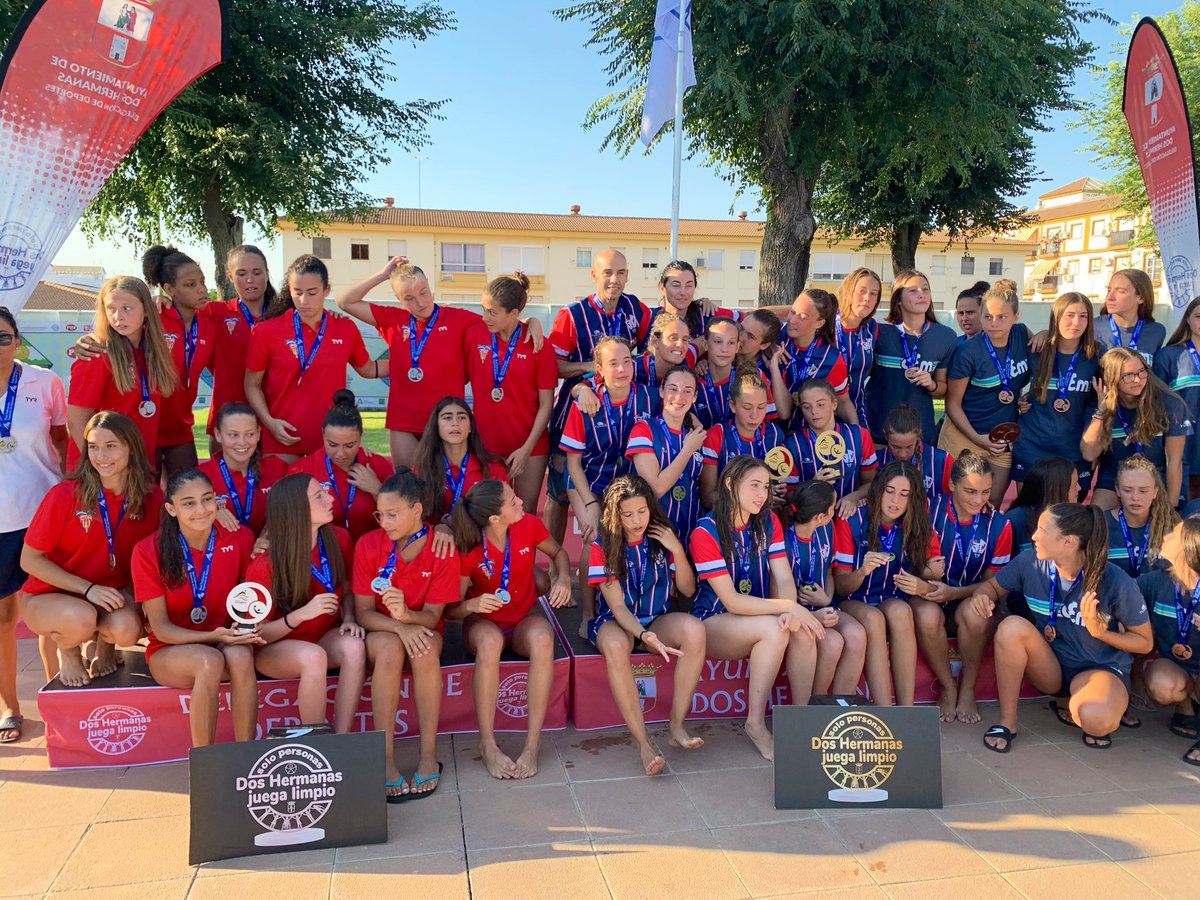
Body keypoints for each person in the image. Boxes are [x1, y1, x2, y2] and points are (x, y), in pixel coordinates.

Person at [974, 503, 1152, 752]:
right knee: (1011, 626)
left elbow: (1144, 642)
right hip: (1052, 668)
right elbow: (992, 587)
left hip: (1099, 669)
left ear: (1068, 542)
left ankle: (1094, 701)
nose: (1034, 536)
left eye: (1042, 531)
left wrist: (1101, 632)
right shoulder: (1029, 561)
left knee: (1096, 721)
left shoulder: (1116, 581)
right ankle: (1007, 723)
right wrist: (983, 596)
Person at [335, 257, 543, 469]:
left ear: (429, 286)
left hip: (447, 423)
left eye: (423, 292)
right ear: (399, 299)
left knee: (445, 492)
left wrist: (532, 322)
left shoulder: (458, 319)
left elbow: (501, 319)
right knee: (406, 488)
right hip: (404, 423)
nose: (420, 302)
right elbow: (345, 301)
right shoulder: (393, 319)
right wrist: (382, 274)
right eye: (409, 298)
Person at [689, 455, 824, 761]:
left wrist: (790, 610)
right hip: (715, 620)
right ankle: (755, 724)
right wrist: (787, 606)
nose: (762, 494)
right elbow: (732, 601)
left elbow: (783, 576)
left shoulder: (767, 520)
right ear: (730, 484)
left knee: (800, 630)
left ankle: (799, 723)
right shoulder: (705, 531)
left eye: (765, 486)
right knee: (773, 630)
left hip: (760, 612)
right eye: (754, 486)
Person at [20, 412, 161, 686]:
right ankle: (69, 652)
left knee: (127, 630)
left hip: (112, 594)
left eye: (111, 446)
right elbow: (29, 560)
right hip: (51, 597)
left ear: (130, 447)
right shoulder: (65, 494)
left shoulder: (150, 496)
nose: (101, 456)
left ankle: (105, 645)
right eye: (94, 447)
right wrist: (87, 588)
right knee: (81, 617)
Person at [449, 480, 573, 779]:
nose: (522, 503)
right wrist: (473, 604)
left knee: (543, 637)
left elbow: (559, 554)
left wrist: (564, 579)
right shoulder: (469, 545)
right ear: (494, 518)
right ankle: (488, 743)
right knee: (490, 642)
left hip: (520, 621)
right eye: (513, 502)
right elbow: (450, 611)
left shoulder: (528, 525)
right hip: (483, 625)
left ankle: (533, 743)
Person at [130, 469, 260, 747]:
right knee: (208, 660)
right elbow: (162, 630)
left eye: (207, 499)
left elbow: (248, 598)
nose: (201, 510)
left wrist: (245, 628)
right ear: (171, 509)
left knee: (241, 656)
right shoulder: (148, 551)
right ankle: (204, 761)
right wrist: (215, 636)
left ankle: (247, 752)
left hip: (224, 639)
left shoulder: (239, 538)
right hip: (170, 650)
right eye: (188, 503)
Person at [588, 475, 706, 775]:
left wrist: (677, 550)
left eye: (642, 511)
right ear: (615, 515)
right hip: (617, 622)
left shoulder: (662, 536)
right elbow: (616, 606)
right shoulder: (603, 544)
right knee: (615, 645)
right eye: (627, 515)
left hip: (656, 617)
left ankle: (677, 726)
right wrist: (643, 635)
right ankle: (643, 744)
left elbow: (688, 590)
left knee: (694, 630)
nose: (637, 520)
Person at [351, 470, 457, 801]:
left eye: (393, 514)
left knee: (424, 650)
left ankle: (428, 756)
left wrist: (408, 616)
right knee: (390, 651)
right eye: (380, 514)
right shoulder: (368, 544)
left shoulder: (440, 548)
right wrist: (398, 624)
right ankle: (385, 760)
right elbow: (364, 613)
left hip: (423, 626)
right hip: (384, 630)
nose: (385, 521)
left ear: (417, 510)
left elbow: (433, 616)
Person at [546, 249, 651, 545]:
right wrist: (591, 373)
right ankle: (557, 567)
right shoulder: (573, 315)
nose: (614, 280)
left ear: (627, 275)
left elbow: (657, 338)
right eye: (607, 272)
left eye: (620, 273)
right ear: (594, 275)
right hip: (576, 411)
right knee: (559, 492)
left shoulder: (636, 309)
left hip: (621, 410)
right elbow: (554, 366)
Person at [246, 474, 365, 733]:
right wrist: (300, 615)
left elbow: (346, 588)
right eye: (319, 496)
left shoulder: (339, 538)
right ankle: (315, 742)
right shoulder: (265, 563)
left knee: (354, 647)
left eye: (325, 492)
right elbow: (256, 634)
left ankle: (342, 739)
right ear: (297, 508)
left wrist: (348, 618)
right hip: (275, 647)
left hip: (322, 636)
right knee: (313, 657)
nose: (330, 498)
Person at [0, 307, 68, 743]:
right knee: (5, 616)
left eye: (3, 337)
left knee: (55, 608)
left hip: (43, 512)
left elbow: (62, 438)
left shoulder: (44, 382)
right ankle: (11, 707)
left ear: (18, 341)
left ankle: (64, 696)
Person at [245, 255, 383, 462]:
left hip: (330, 444)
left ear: (326, 290)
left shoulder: (345, 328)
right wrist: (269, 422)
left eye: (312, 293)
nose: (304, 301)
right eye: (297, 292)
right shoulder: (266, 332)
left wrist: (412, 362)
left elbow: (369, 369)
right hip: (282, 439)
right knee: (283, 495)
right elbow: (251, 385)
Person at [832, 460, 942, 706]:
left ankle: (906, 709)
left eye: (904, 494)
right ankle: (885, 712)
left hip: (890, 597)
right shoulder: (853, 519)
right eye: (890, 491)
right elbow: (841, 586)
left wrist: (927, 575)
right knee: (873, 618)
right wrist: (862, 570)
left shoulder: (917, 522)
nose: (895, 501)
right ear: (878, 490)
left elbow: (936, 572)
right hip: (853, 599)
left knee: (902, 611)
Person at [915, 452, 1013, 723]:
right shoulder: (927, 509)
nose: (978, 500)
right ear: (951, 484)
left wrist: (954, 593)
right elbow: (909, 561)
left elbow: (994, 584)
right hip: (926, 593)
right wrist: (927, 581)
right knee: (926, 614)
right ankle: (948, 686)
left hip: (966, 594)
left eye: (985, 492)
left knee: (980, 610)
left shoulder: (999, 524)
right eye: (970, 491)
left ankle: (968, 688)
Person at [466, 273, 557, 513]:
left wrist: (526, 450)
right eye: (484, 309)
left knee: (524, 518)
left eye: (492, 312)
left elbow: (546, 404)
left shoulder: (539, 345)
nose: (485, 317)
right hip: (487, 447)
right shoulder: (474, 335)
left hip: (531, 447)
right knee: (490, 517)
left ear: (514, 314)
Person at [66, 276, 177, 470]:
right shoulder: (96, 354)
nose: (118, 317)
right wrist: (99, 464)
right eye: (111, 308)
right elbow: (76, 421)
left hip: (138, 465)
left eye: (127, 308)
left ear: (146, 310)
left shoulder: (155, 353)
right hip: (102, 470)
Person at [942, 284, 1030, 506]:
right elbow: (952, 404)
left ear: (1016, 316)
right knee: (957, 502)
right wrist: (977, 438)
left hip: (1001, 438)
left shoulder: (1021, 334)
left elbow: (1042, 363)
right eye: (988, 316)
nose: (994, 323)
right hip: (964, 435)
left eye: (1002, 316)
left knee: (991, 504)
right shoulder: (968, 352)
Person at [1081, 347, 1192, 510]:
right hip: (1114, 477)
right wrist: (1102, 411)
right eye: (1128, 376)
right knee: (1096, 519)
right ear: (1111, 379)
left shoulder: (1169, 404)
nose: (1137, 380)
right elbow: (1089, 454)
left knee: (1163, 526)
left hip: (1156, 477)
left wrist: (1171, 507)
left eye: (1141, 372)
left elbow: (1174, 461)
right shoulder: (1099, 406)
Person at [784, 480, 866, 695]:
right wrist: (812, 615)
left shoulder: (827, 528)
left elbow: (829, 571)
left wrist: (826, 599)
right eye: (832, 509)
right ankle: (813, 705)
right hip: (792, 612)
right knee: (832, 642)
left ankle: (835, 709)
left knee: (856, 634)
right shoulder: (782, 538)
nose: (835, 511)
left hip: (823, 603)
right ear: (820, 516)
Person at [1013, 292, 1099, 490]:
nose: (1076, 322)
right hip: (1032, 444)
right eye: (1069, 315)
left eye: (1083, 316)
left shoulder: (1096, 356)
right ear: (1057, 317)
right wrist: (1021, 398)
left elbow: (1097, 402)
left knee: (1068, 515)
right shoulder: (1037, 349)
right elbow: (1012, 382)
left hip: (1073, 449)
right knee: (1029, 510)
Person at [144, 245, 216, 475]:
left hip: (182, 428)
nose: (202, 289)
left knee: (188, 493)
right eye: (190, 284)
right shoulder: (152, 319)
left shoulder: (207, 327)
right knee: (146, 500)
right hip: (146, 427)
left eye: (202, 281)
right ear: (169, 289)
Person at [863, 270, 957, 445]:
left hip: (920, 433)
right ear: (898, 299)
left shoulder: (946, 336)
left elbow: (942, 389)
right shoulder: (879, 331)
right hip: (878, 430)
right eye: (913, 291)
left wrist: (932, 384)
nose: (921, 294)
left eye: (925, 289)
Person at [288, 391, 395, 540]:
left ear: (360, 438)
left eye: (349, 445)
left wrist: (377, 489)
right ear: (323, 435)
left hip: (371, 554)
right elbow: (288, 520)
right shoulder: (302, 469)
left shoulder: (377, 465)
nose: (340, 453)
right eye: (332, 444)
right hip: (324, 556)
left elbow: (400, 518)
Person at [204, 245, 283, 444]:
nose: (249, 280)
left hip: (273, 420)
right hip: (227, 420)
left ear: (267, 274)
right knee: (224, 475)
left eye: (257, 272)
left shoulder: (284, 316)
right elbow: (180, 312)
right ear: (230, 277)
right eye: (241, 273)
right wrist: (161, 301)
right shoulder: (216, 312)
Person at [413, 397, 508, 558]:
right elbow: (414, 517)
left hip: (481, 545)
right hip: (439, 546)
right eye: (447, 417)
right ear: (436, 426)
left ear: (471, 426)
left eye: (462, 417)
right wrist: (436, 527)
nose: (455, 423)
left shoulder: (493, 467)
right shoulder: (423, 469)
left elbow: (503, 516)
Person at [1138, 518, 1200, 763]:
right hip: (1177, 667)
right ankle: (1186, 709)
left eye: (1173, 535)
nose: (1165, 537)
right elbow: (1121, 591)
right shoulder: (1159, 579)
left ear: (1189, 548)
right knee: (1161, 684)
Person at [626, 366, 707, 541]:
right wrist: (687, 450)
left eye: (687, 391)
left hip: (690, 531)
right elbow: (655, 489)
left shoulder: (696, 434)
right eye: (673, 389)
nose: (679, 397)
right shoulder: (644, 430)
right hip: (655, 533)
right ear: (662, 391)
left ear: (694, 397)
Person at [784, 378, 877, 515]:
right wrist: (812, 485)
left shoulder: (859, 436)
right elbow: (788, 496)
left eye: (820, 404)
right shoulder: (792, 445)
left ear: (834, 404)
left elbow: (871, 483)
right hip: (812, 522)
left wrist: (854, 497)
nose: (814, 412)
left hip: (848, 519)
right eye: (806, 406)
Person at [700, 368, 789, 509]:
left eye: (761, 407)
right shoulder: (716, 436)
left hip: (764, 521)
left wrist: (780, 489)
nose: (754, 415)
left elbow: (782, 483)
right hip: (727, 521)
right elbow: (708, 498)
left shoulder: (774, 434)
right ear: (733, 406)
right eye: (747, 407)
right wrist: (754, 498)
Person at [197, 403, 288, 536]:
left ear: (258, 434)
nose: (242, 442)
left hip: (267, 551)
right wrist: (209, 514)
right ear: (218, 434)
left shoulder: (277, 468)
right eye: (233, 435)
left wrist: (270, 531)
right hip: (224, 554)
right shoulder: (199, 477)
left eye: (250, 434)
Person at [780, 288, 855, 424]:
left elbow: (843, 402)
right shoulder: (774, 334)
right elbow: (752, 317)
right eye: (792, 311)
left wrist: (856, 436)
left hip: (807, 436)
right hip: (768, 432)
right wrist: (770, 347)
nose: (792, 320)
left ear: (819, 323)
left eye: (803, 317)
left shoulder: (830, 359)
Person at [1154, 296, 1200, 501]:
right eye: (1199, 316)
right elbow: (1157, 403)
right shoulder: (1168, 356)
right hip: (1184, 449)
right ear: (1187, 319)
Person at [1105, 456, 1179, 578]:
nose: (1135, 497)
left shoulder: (1172, 526)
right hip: (1118, 596)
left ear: (1155, 492)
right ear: (1117, 490)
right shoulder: (1101, 524)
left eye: (1143, 491)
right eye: (1127, 490)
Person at [835, 267, 882, 431]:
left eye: (874, 294)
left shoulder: (873, 330)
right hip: (819, 413)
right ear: (849, 292)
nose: (867, 298)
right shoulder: (824, 324)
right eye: (862, 291)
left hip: (856, 409)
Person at [875, 404, 954, 501]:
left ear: (919, 435)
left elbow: (952, 499)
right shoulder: (876, 460)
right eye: (896, 447)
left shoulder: (942, 460)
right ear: (886, 436)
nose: (903, 454)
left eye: (909, 446)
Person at [1005, 457, 1080, 555]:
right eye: (1075, 484)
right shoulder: (1015, 520)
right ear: (1057, 489)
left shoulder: (1078, 520)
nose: (1079, 488)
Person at [652, 259, 734, 348]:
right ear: (662, 289)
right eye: (676, 285)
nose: (683, 292)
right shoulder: (648, 319)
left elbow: (746, 318)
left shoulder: (706, 314)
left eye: (688, 286)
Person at [1095, 269, 1166, 363]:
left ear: (1141, 298)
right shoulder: (1093, 328)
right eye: (1109, 290)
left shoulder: (1156, 331)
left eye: (1120, 291)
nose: (1110, 297)